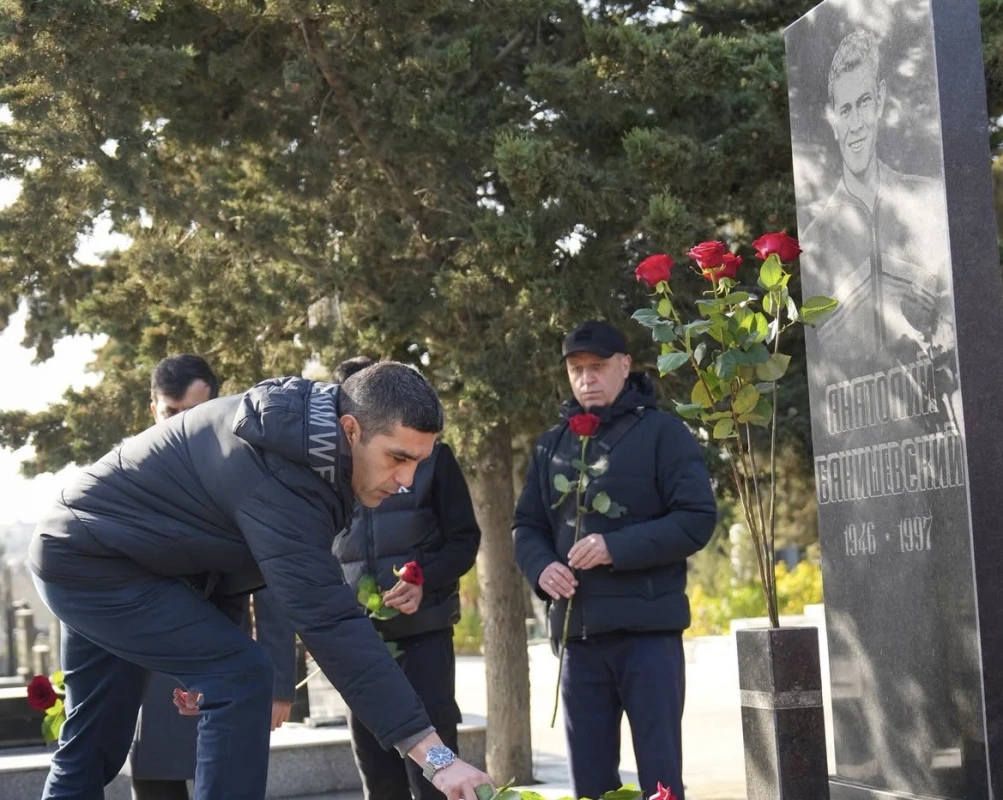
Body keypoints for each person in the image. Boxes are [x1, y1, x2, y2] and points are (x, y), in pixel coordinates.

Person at [28, 362, 492, 800]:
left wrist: (206, 652)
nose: (407, 480)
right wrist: (434, 755)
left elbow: (220, 555)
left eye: (418, 463)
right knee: (242, 674)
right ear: (351, 429)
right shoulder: (286, 473)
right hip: (97, 562)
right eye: (398, 458)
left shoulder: (302, 446)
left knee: (92, 744)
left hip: (83, 548)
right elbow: (328, 621)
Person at [512, 320, 717, 800]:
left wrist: (614, 548)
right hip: (579, 641)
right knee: (589, 785)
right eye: (576, 369)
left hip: (648, 638)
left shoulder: (665, 434)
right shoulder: (551, 446)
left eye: (598, 367)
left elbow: (696, 518)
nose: (587, 378)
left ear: (625, 366)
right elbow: (526, 526)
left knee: (661, 782)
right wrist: (542, 568)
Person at [129, 354, 297, 800]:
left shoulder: (243, 469)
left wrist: (279, 684)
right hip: (146, 659)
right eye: (170, 413)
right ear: (153, 409)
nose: (181, 425)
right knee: (155, 786)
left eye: (193, 413)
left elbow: (272, 582)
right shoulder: (127, 469)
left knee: (226, 781)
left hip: (220, 657)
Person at [328, 356, 481, 800]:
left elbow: (464, 541)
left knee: (435, 770)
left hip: (423, 638)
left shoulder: (431, 460)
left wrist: (424, 579)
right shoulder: (327, 473)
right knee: (377, 773)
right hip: (360, 643)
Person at [801, 29, 952, 370]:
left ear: (880, 100)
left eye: (864, 102)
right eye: (846, 109)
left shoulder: (928, 199)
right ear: (833, 119)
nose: (856, 124)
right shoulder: (814, 242)